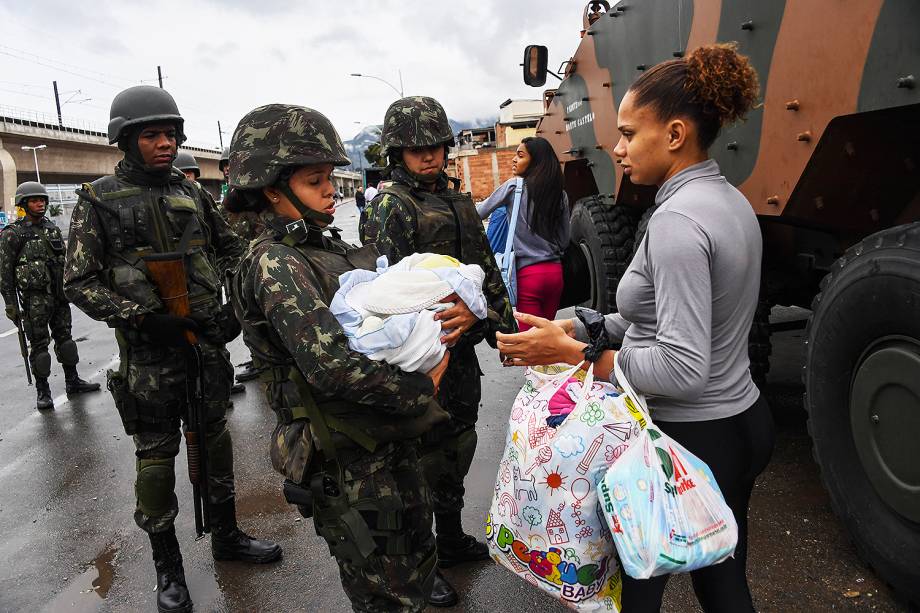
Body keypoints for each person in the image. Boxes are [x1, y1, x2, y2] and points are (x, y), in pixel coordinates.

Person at [495, 44, 774, 613]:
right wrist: (582, 324)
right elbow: (664, 316)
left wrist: (576, 353)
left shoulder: (676, 222)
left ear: (674, 135)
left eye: (628, 133)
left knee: (636, 592)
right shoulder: (727, 200)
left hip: (688, 439)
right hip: (741, 423)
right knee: (723, 581)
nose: (615, 148)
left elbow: (681, 366)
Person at [225, 103, 451, 611]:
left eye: (330, 177)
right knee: (387, 595)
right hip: (349, 461)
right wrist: (423, 386)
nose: (331, 190)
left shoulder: (320, 246)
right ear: (271, 190)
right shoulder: (274, 262)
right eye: (314, 181)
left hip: (383, 440)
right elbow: (331, 366)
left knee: (414, 573)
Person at [64, 85, 281, 613]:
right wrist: (144, 318)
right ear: (126, 139)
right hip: (151, 356)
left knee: (215, 441)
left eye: (170, 134)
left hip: (205, 347)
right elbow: (80, 281)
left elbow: (233, 251)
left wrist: (233, 308)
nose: (164, 143)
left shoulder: (192, 192)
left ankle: (227, 536)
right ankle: (169, 568)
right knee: (157, 460)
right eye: (151, 135)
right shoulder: (98, 200)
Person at [361, 96, 516, 585]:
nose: (428, 156)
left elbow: (483, 262)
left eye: (435, 146)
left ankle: (449, 537)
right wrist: (441, 331)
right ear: (396, 153)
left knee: (457, 442)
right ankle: (422, 563)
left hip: (462, 345)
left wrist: (500, 321)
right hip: (423, 353)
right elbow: (393, 290)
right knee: (419, 454)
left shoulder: (454, 195)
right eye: (415, 148)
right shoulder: (392, 205)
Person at [0, 181, 100, 410]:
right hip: (35, 301)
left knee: (66, 341)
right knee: (39, 347)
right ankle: (43, 391)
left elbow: (66, 263)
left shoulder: (52, 229)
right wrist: (10, 304)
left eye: (43, 200)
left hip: (59, 298)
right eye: (35, 200)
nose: (41, 204)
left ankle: (72, 381)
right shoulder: (13, 234)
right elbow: (5, 274)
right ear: (24, 204)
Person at [476, 136, 570, 330]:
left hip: (528, 276)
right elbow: (564, 240)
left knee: (531, 344)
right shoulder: (560, 195)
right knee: (548, 335)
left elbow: (478, 213)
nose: (513, 159)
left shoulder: (514, 187)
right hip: (555, 274)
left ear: (535, 161)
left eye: (520, 155)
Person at [216, 145, 262, 384]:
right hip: (231, 269)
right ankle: (256, 357)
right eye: (225, 166)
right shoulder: (225, 198)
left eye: (231, 165)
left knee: (256, 316)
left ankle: (262, 360)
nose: (227, 169)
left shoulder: (252, 193)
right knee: (242, 316)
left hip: (253, 265)